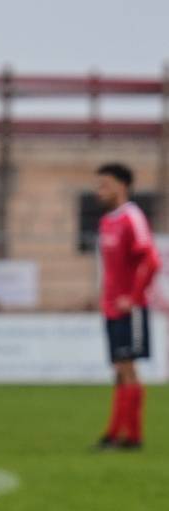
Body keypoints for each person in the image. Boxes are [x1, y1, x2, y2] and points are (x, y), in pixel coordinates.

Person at [93, 163, 161, 450]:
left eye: (105, 184)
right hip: (110, 307)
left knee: (129, 368)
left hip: (129, 309)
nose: (100, 191)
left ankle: (132, 436)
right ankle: (114, 432)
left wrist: (132, 298)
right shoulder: (108, 222)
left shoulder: (133, 217)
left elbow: (151, 260)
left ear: (122, 185)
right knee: (120, 369)